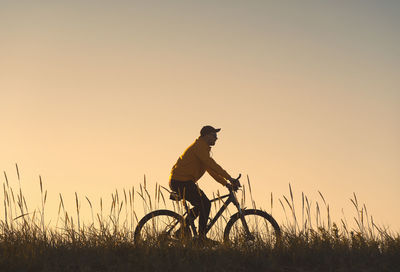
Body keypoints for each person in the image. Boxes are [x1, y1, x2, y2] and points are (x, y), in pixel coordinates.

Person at [169, 125, 239, 241]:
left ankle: (182, 230)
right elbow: (211, 164)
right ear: (206, 136)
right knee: (205, 204)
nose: (216, 138)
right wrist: (230, 178)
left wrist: (226, 183)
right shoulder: (199, 147)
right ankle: (201, 237)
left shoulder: (203, 149)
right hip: (181, 181)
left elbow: (210, 170)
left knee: (202, 205)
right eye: (214, 135)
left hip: (183, 181)